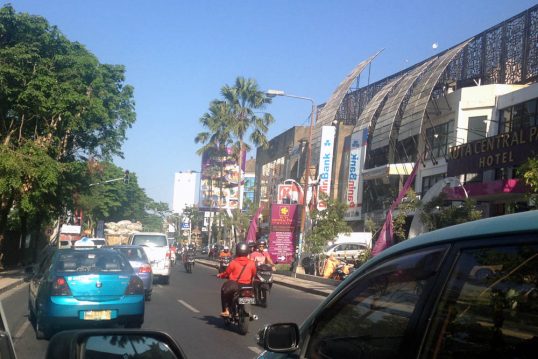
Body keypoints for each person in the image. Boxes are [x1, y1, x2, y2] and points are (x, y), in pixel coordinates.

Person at [216, 242, 257, 317]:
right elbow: (254, 274)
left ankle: (226, 311)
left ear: (237, 251)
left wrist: (220, 275)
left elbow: (226, 273)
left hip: (235, 285)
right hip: (247, 286)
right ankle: (249, 313)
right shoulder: (252, 263)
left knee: (224, 291)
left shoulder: (233, 262)